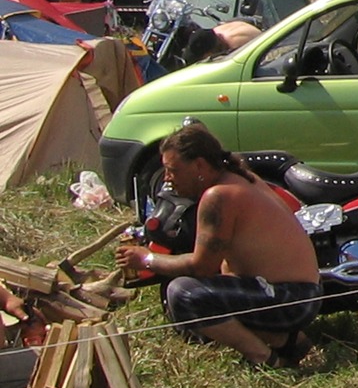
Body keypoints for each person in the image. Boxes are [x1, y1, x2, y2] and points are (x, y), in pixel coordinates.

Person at [114, 125, 322, 368]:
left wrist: (147, 260)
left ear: (199, 165)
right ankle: (286, 340)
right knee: (208, 287)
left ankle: (265, 359)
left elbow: (200, 266)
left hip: (291, 299)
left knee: (183, 293)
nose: (168, 179)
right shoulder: (242, 177)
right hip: (302, 292)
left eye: (173, 171)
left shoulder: (219, 196)